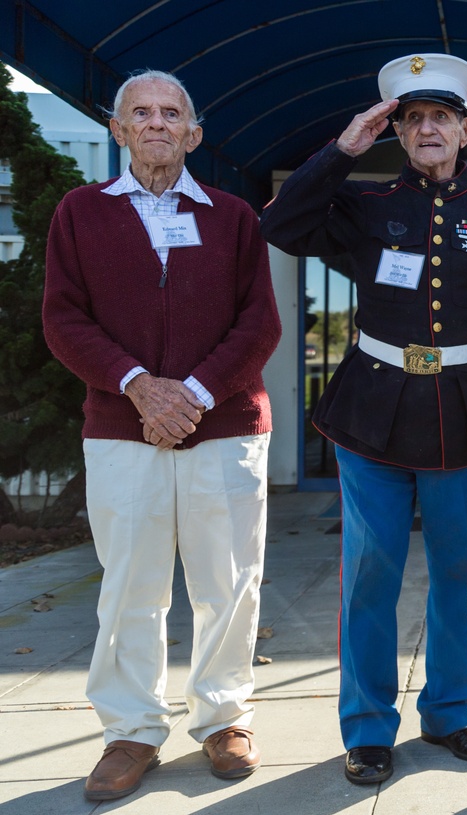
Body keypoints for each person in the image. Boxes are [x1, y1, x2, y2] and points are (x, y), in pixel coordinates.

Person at [259, 53, 467, 786]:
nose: (427, 129)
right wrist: (342, 150)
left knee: (458, 570)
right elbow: (281, 222)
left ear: (464, 130)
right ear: (400, 133)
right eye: (413, 119)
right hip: (374, 413)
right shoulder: (367, 205)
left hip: (466, 414)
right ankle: (367, 726)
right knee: (371, 574)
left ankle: (453, 711)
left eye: (441, 116)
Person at [42, 70, 281, 801]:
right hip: (122, 427)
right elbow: (63, 319)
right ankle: (131, 730)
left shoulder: (235, 215)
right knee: (130, 587)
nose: (154, 123)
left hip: (227, 427)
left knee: (228, 582)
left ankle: (224, 717)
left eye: (169, 113)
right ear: (117, 131)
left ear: (193, 133)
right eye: (139, 113)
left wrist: (195, 395)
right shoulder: (80, 213)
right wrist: (141, 385)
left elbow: (260, 323)